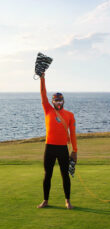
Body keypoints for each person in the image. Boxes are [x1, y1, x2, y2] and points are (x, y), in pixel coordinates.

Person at [37, 73, 77, 209]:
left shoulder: (70, 115)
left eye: (60, 100)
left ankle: (67, 200)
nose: (58, 103)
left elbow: (73, 134)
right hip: (49, 147)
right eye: (56, 100)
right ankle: (45, 200)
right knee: (47, 174)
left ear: (63, 101)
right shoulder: (47, 109)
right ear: (52, 102)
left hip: (63, 149)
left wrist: (75, 151)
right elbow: (43, 94)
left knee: (65, 175)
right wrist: (42, 78)